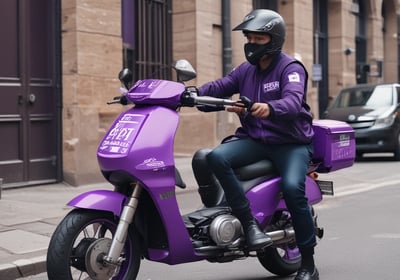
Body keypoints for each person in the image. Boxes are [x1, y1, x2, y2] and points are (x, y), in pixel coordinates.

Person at [197, 9, 319, 280]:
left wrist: (268, 108)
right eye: (248, 37)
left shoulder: (291, 68)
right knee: (216, 157)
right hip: (256, 140)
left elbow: (292, 101)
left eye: (258, 38)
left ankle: (309, 263)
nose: (251, 43)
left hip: (291, 144)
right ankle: (249, 224)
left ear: (274, 40)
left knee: (292, 189)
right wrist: (191, 94)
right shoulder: (246, 70)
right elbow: (221, 86)